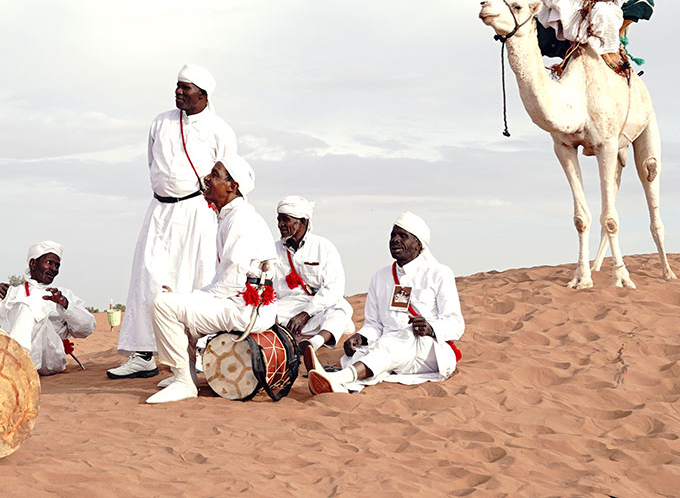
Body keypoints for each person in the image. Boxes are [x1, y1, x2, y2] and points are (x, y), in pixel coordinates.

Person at [109, 64, 237, 380]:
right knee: (147, 277)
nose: (178, 92)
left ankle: (196, 355)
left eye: (185, 87)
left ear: (203, 94)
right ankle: (143, 354)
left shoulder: (220, 129)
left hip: (198, 211)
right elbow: (152, 163)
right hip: (160, 210)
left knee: (198, 277)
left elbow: (229, 173)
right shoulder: (160, 122)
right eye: (177, 86)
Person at [148, 155, 278, 404]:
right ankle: (187, 375)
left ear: (232, 186)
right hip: (242, 304)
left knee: (163, 305)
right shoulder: (232, 216)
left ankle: (183, 382)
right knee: (176, 303)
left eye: (215, 175)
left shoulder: (240, 220)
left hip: (246, 310)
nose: (207, 179)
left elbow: (231, 283)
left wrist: (189, 298)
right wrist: (188, 298)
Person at [308, 212, 464, 394]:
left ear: (418, 244)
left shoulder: (439, 273)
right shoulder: (380, 277)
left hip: (426, 349)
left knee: (401, 339)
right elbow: (374, 325)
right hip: (388, 347)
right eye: (393, 235)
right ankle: (339, 386)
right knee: (367, 351)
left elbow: (456, 324)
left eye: (402, 236)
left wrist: (430, 328)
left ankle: (335, 378)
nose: (395, 240)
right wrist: (360, 337)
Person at [0, 241, 96, 375]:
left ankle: (15, 361)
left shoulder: (62, 294)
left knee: (29, 304)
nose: (54, 269)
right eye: (49, 263)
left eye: (57, 265)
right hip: (5, 352)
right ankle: (11, 359)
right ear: (33, 264)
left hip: (48, 358)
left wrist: (66, 306)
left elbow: (86, 329)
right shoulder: (12, 292)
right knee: (15, 305)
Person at [271, 195, 355, 371]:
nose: (280, 225)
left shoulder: (324, 247)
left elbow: (334, 288)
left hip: (314, 310)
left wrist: (306, 313)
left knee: (342, 307)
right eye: (279, 220)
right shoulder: (273, 250)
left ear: (302, 221)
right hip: (283, 310)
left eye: (286, 220)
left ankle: (313, 344)